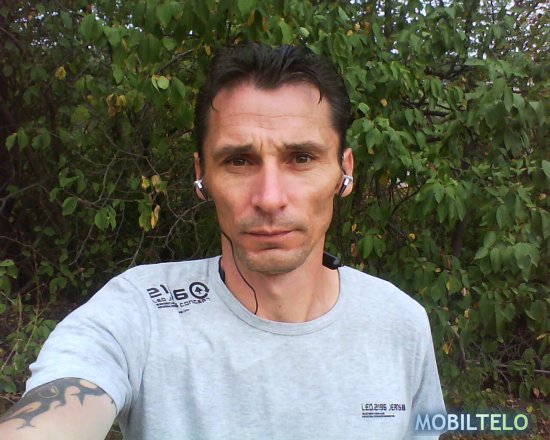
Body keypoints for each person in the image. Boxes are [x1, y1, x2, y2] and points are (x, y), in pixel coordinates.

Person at [0, 43, 445, 439]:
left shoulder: (401, 322)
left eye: (301, 157)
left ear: (344, 171)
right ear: (202, 175)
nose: (269, 198)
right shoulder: (140, 311)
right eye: (238, 161)